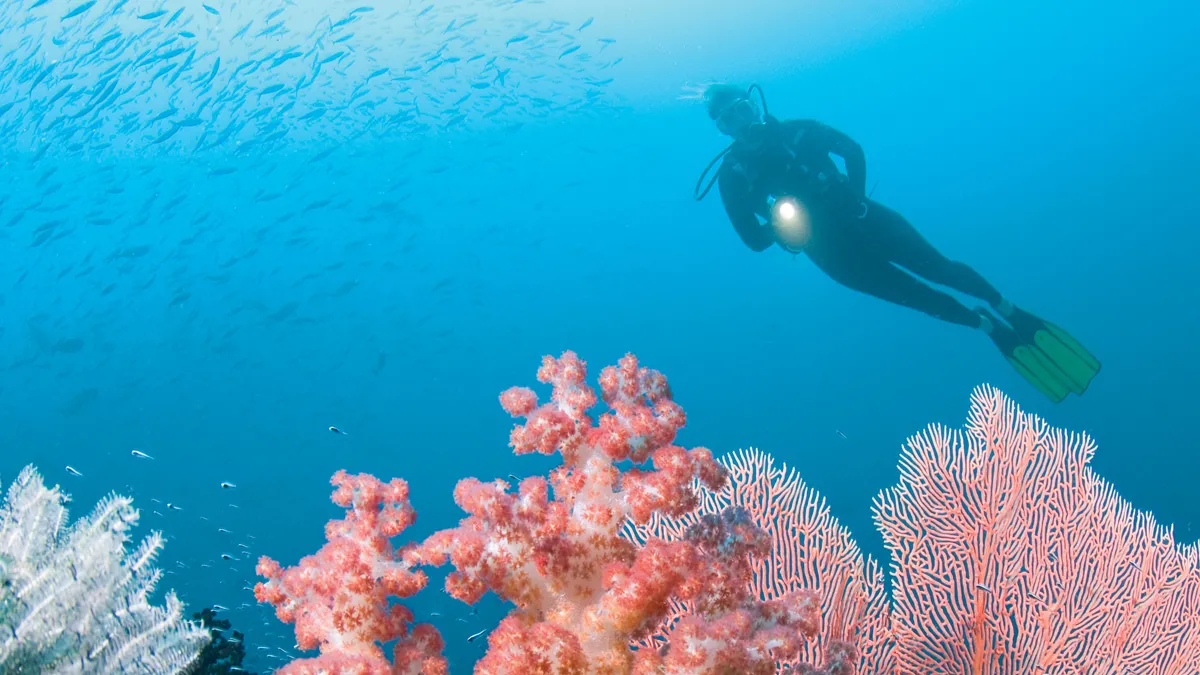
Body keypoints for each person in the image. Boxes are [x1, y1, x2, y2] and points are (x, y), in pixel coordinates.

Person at [693, 83, 1100, 403]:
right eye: (728, 120)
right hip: (833, 254)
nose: (740, 122)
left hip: (866, 218)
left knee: (941, 269)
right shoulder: (733, 174)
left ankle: (1007, 308)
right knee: (916, 297)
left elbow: (852, 149)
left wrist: (855, 195)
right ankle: (985, 324)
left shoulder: (800, 130)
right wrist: (784, 227)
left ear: (754, 104)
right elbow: (752, 239)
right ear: (721, 130)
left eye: (741, 110)